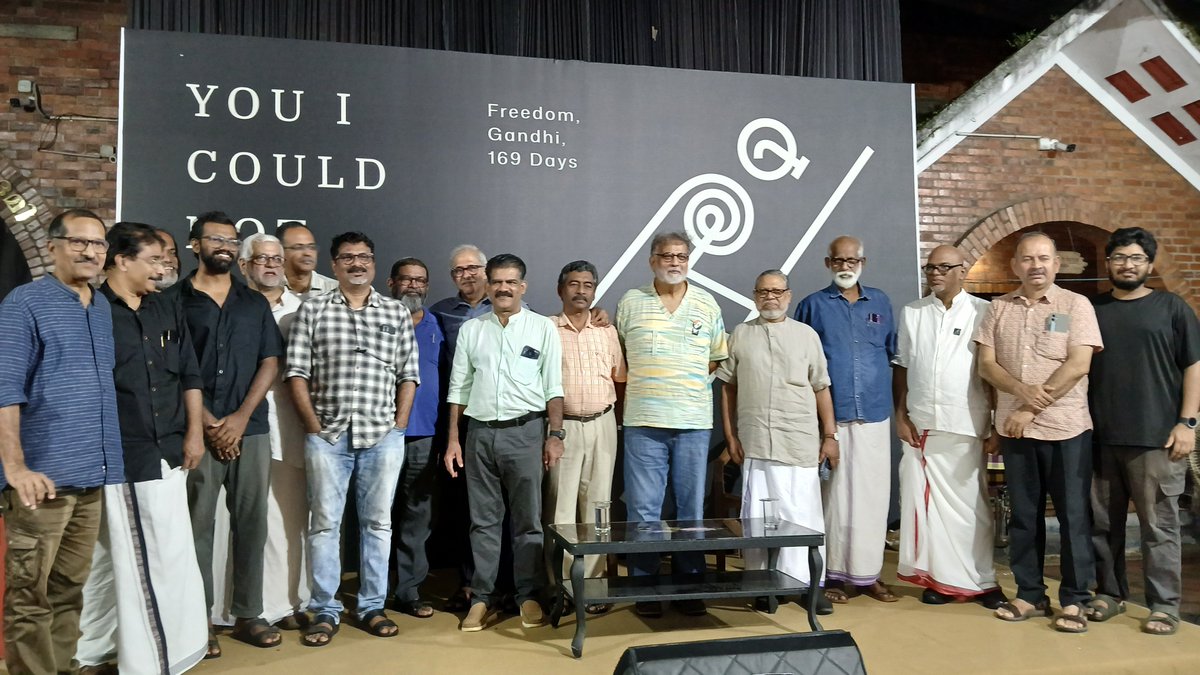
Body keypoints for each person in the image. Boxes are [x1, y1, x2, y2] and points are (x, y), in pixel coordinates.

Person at [76, 222, 209, 673]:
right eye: (153, 260)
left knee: (168, 556)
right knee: (120, 560)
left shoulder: (166, 308)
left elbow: (189, 374)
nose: (163, 267)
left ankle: (166, 651)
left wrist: (194, 433)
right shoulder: (92, 311)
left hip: (169, 452)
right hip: (122, 458)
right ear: (121, 260)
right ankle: (117, 657)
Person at [0, 209, 124, 674]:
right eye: (79, 242)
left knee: (69, 590)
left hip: (91, 476)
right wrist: (15, 468)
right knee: (30, 597)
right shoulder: (24, 303)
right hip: (42, 481)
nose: (90, 251)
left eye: (98, 243)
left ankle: (61, 667)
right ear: (53, 246)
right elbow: (5, 388)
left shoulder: (101, 306)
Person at [287, 232, 419, 646]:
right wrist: (313, 426)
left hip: (382, 435)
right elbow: (297, 373)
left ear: (374, 263)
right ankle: (325, 608)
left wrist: (399, 425)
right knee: (324, 525)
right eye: (347, 257)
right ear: (334, 265)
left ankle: (371, 606)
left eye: (364, 257)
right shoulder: (313, 309)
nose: (357, 263)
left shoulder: (395, 312)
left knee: (378, 524)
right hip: (328, 436)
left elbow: (409, 374)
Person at [167, 211, 284, 654]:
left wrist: (238, 419)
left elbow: (270, 361)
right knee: (197, 525)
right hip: (196, 431)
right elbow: (172, 369)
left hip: (250, 430)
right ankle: (199, 620)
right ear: (194, 244)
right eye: (216, 239)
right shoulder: (173, 301)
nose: (226, 247)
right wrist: (212, 423)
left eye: (232, 241)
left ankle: (248, 613)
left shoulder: (253, 302)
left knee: (252, 524)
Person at [975, 232, 1102, 633]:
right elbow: (986, 365)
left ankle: (1076, 599)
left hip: (1066, 429)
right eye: (1028, 259)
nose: (1036, 266)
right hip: (1016, 434)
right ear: (1015, 265)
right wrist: (1020, 391)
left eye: (1044, 258)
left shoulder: (1075, 305)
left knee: (1073, 517)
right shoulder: (998, 308)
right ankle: (1030, 594)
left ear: (1056, 264)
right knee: (1024, 518)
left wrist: (1029, 407)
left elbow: (1078, 364)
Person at [1087, 227, 1199, 636]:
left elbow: (1194, 366)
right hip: (1099, 438)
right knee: (1102, 525)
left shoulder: (1172, 307)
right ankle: (1109, 593)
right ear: (1108, 263)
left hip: (1157, 438)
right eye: (1119, 257)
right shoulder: (1092, 309)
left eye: (1136, 258)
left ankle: (1164, 606)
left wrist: (1188, 422)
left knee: (1159, 527)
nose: (1127, 265)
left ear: (1149, 264)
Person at [444, 254, 564, 632]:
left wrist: (555, 435)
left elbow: (553, 387)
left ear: (522, 287)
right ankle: (482, 597)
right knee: (482, 522)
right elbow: (458, 388)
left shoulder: (542, 328)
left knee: (528, 523)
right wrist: (453, 439)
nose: (503, 288)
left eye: (511, 282)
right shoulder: (472, 330)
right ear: (488, 285)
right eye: (497, 281)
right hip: (479, 434)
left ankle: (528, 594)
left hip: (526, 433)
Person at [616, 231, 728, 618]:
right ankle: (645, 590)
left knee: (690, 511)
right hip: (643, 422)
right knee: (644, 511)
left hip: (693, 423)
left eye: (681, 256)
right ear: (653, 261)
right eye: (667, 256)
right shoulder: (630, 302)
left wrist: (684, 383)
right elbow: (619, 355)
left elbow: (716, 356)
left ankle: (689, 588)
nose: (675, 262)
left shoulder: (707, 303)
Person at [205, 233, 311, 631]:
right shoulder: (227, 304)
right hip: (230, 428)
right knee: (222, 525)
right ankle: (219, 612)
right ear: (244, 264)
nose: (270, 265)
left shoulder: (302, 309)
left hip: (285, 427)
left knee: (283, 521)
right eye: (261, 259)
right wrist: (222, 423)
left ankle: (282, 604)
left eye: (276, 259)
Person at [716, 269, 836, 615]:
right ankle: (763, 584)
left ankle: (807, 585)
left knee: (802, 515)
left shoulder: (806, 335)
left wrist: (830, 435)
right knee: (759, 517)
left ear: (788, 295)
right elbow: (728, 388)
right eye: (763, 292)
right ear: (755, 296)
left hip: (799, 441)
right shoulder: (741, 334)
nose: (770, 298)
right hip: (755, 442)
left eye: (777, 292)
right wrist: (730, 436)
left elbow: (821, 387)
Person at [893, 245, 1005, 609]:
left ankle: (982, 581)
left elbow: (993, 371)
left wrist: (996, 425)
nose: (935, 274)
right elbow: (902, 367)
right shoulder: (913, 312)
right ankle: (941, 582)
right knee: (927, 510)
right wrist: (901, 415)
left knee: (972, 507)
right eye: (930, 268)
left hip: (967, 422)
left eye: (943, 267)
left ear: (962, 271)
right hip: (921, 424)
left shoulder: (983, 311)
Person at [795, 235, 898, 605]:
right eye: (838, 260)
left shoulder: (881, 302)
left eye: (852, 260)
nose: (845, 266)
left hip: (874, 414)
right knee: (833, 499)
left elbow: (892, 354)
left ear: (862, 263)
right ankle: (832, 576)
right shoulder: (812, 306)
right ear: (828, 263)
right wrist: (823, 427)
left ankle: (869, 575)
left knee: (873, 499)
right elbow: (802, 365)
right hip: (830, 420)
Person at [545, 261, 627, 614]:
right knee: (560, 509)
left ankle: (592, 587)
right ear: (560, 289)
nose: (581, 291)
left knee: (598, 508)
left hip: (602, 424)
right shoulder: (546, 329)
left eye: (588, 285)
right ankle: (562, 589)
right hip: (562, 428)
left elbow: (620, 377)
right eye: (573, 284)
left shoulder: (606, 330)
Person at [386, 256, 445, 619]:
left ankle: (408, 591)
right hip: (379, 433)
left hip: (424, 435)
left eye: (419, 280)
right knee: (375, 515)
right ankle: (373, 591)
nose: (412, 286)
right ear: (391, 283)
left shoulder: (439, 324)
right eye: (406, 279)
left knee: (416, 516)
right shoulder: (373, 318)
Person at [277, 221, 338, 298]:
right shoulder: (270, 288)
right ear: (280, 251)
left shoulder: (335, 290)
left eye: (311, 247)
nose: (307, 253)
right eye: (298, 247)